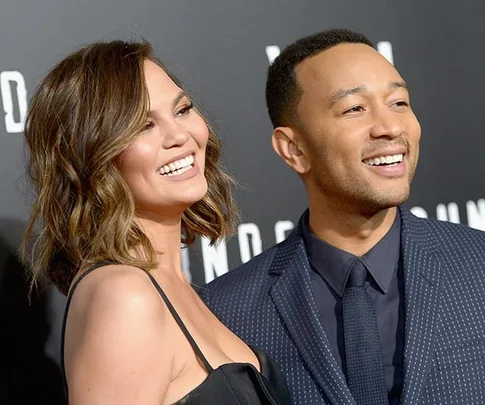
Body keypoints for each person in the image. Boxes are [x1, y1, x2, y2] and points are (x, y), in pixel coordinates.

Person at [200, 28, 485, 405]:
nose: (391, 127)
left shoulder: (476, 263)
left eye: (399, 102)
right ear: (293, 149)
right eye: (355, 108)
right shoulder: (227, 312)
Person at [20, 40, 290, 405]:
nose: (181, 136)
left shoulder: (173, 287)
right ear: (91, 156)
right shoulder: (125, 297)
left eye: (182, 110)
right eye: (143, 126)